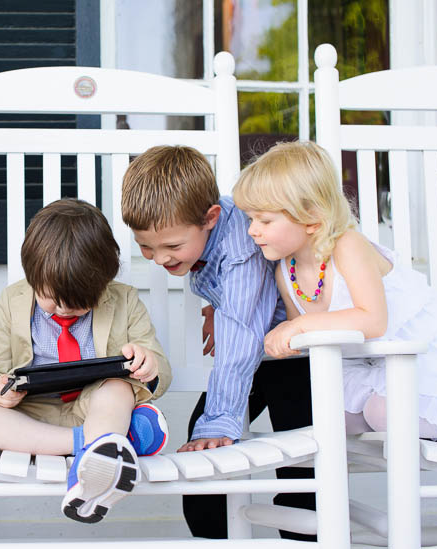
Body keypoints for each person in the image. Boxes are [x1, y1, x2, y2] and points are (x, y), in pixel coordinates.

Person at [121, 145, 315, 540]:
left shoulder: (242, 252)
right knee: (201, 438)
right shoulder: (213, 219)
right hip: (264, 350)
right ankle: (213, 538)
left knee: (298, 445)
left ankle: (306, 539)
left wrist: (222, 419)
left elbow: (241, 337)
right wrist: (218, 303)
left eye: (172, 247)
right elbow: (239, 301)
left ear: (209, 218)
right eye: (146, 247)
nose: (159, 259)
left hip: (300, 355)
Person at [0, 198, 172, 523]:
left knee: (118, 388)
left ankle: (88, 473)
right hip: (30, 416)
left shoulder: (124, 300)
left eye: (79, 304)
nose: (64, 310)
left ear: (103, 283)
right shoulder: (13, 300)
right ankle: (102, 444)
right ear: (32, 276)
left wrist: (148, 364)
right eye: (51, 301)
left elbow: (160, 372)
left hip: (95, 407)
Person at [233, 140, 437, 440]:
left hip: (421, 359)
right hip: (369, 366)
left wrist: (298, 325)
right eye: (250, 219)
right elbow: (307, 341)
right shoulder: (285, 270)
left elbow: (373, 320)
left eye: (265, 220)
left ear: (311, 218)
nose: (253, 230)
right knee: (329, 420)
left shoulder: (347, 246)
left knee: (380, 412)